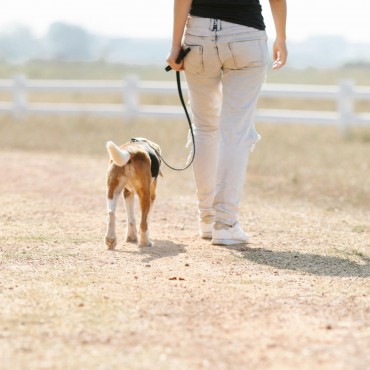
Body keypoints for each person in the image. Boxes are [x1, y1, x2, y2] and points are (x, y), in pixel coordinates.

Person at [166, 0, 287, 245]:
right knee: (236, 132)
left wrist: (175, 45)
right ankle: (226, 222)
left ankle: (207, 218)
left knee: (204, 128)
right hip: (246, 36)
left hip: (198, 35)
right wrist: (281, 37)